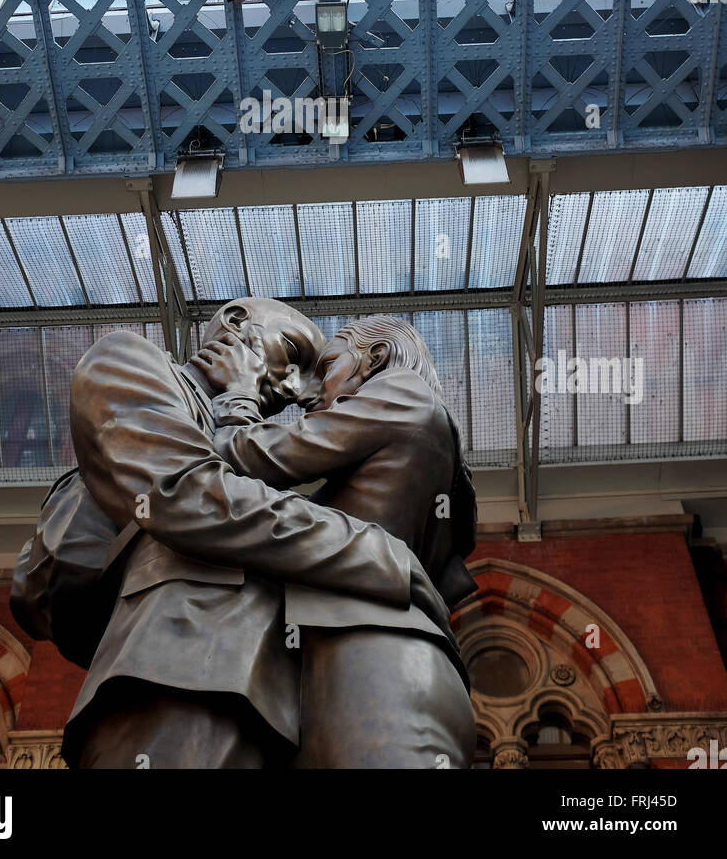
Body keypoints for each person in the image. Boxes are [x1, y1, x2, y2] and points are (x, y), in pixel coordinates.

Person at [49, 298, 447, 769]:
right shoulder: (130, 361)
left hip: (273, 698)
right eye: (295, 356)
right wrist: (376, 553)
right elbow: (191, 498)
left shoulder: (397, 408)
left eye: (316, 372)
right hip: (175, 670)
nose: (299, 389)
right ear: (236, 323)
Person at [213, 314, 478, 769]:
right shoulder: (420, 454)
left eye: (329, 366)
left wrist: (238, 394)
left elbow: (252, 457)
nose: (311, 394)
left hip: (376, 661)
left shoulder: (402, 392)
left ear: (374, 358)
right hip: (384, 660)